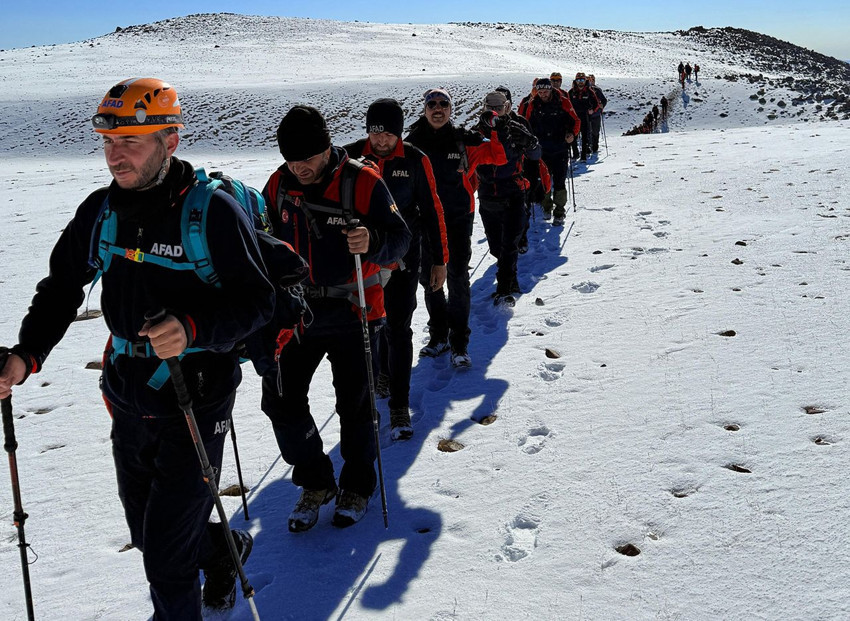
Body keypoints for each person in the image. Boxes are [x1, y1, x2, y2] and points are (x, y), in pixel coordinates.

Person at [0, 78, 275, 619]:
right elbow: (61, 287)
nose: (114, 154)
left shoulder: (212, 212)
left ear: (170, 141)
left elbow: (259, 303)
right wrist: (25, 355)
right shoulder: (101, 211)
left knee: (167, 566)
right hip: (127, 392)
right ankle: (222, 549)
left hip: (196, 397)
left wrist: (192, 329)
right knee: (151, 535)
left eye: (130, 140)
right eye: (107, 140)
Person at [260, 105, 410, 532]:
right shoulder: (279, 185)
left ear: (326, 148)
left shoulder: (363, 181)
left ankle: (358, 486)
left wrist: (373, 239)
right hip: (298, 312)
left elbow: (401, 239)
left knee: (356, 406)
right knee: (280, 401)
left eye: (305, 157)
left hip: (356, 309)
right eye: (291, 158)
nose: (298, 167)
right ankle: (316, 480)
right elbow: (266, 239)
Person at [344, 98, 448, 440]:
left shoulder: (415, 160)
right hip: (362, 260)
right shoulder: (351, 158)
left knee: (399, 328)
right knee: (369, 329)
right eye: (375, 133)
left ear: (399, 133)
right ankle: (376, 386)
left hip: (404, 257)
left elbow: (433, 212)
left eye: (388, 134)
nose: (380, 141)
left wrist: (440, 260)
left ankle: (400, 405)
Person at [406, 88, 506, 368]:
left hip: (459, 218)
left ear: (451, 109)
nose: (437, 109)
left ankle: (459, 342)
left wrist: (495, 130)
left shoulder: (463, 140)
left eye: (443, 104)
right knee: (430, 280)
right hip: (426, 222)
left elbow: (497, 157)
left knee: (458, 277)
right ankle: (439, 336)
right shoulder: (412, 143)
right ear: (425, 109)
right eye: (432, 104)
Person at [476, 91, 540, 306]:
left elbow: (535, 154)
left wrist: (531, 143)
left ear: (508, 107)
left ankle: (505, 287)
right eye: (490, 107)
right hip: (487, 195)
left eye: (500, 107)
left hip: (513, 192)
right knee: (496, 247)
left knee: (509, 244)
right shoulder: (475, 133)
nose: (495, 111)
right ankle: (508, 279)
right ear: (483, 108)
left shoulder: (516, 128)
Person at [522, 77, 580, 226]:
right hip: (541, 149)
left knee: (560, 181)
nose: (543, 94)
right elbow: (526, 124)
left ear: (550, 89)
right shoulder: (533, 104)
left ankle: (559, 211)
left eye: (545, 91)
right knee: (544, 181)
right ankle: (546, 206)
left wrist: (572, 135)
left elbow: (576, 120)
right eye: (540, 92)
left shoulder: (563, 101)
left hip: (560, 147)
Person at [568, 72, 602, 163]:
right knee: (574, 136)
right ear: (576, 81)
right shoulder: (571, 92)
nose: (580, 82)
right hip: (574, 117)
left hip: (585, 116)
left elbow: (596, 103)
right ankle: (575, 154)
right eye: (578, 80)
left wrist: (592, 110)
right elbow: (567, 104)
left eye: (582, 80)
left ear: (585, 80)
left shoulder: (589, 91)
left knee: (585, 136)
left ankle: (583, 156)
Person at [587, 74, 608, 155]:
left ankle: (595, 147)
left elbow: (604, 100)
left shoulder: (597, 90)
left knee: (595, 131)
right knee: (588, 132)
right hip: (588, 115)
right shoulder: (583, 91)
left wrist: (602, 105)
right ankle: (589, 147)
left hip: (596, 114)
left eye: (591, 80)